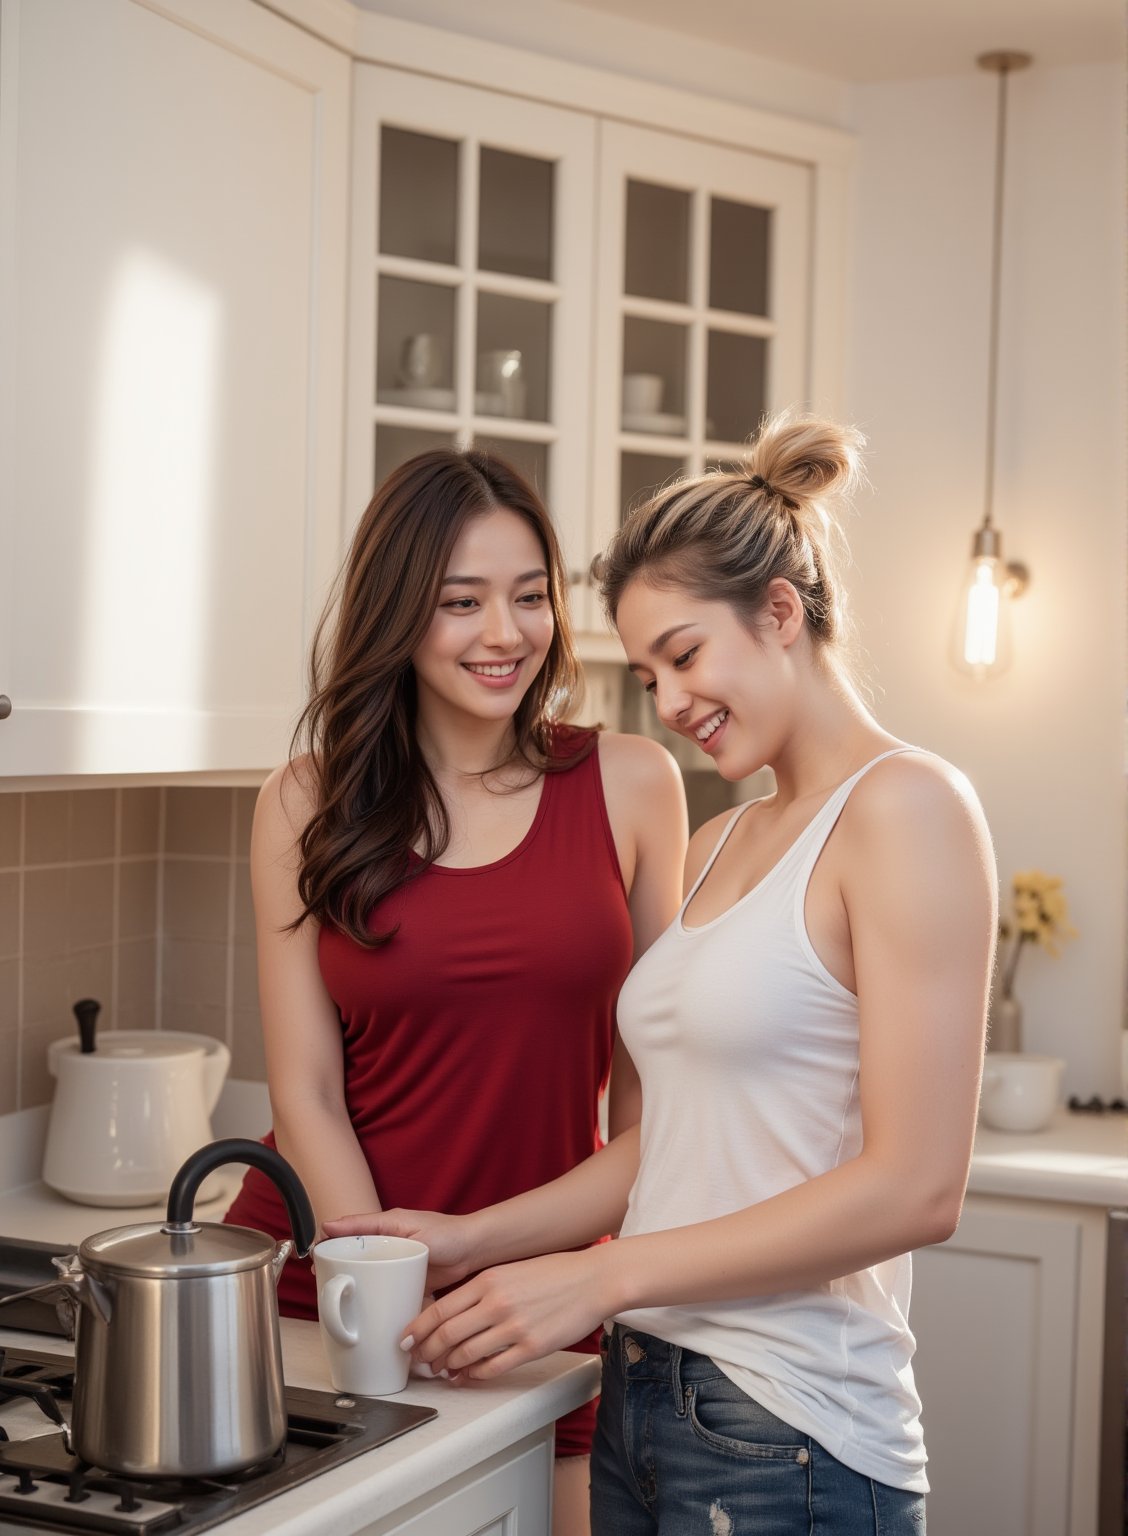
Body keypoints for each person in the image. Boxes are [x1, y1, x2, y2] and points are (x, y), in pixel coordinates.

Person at [326, 413, 997, 1534]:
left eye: (684, 656)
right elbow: (665, 1146)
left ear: (781, 612)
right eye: (647, 673)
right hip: (647, 1397)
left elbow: (918, 1186)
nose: (670, 702)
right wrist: (468, 1236)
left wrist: (602, 1278)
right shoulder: (724, 839)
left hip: (793, 1431)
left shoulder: (909, 808)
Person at [223, 448, 688, 1536]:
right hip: (323, 1292)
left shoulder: (631, 784)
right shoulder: (304, 801)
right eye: (460, 601)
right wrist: (384, 1290)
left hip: (539, 1302)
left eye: (530, 597)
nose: (505, 634)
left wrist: (517, 1273)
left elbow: (658, 1114)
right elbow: (306, 1092)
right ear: (398, 612)